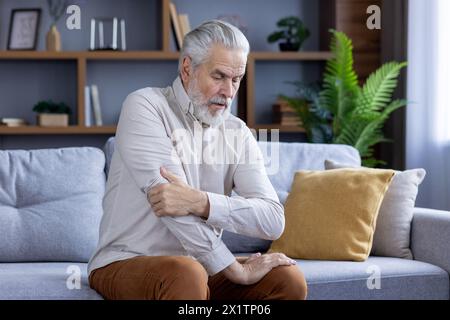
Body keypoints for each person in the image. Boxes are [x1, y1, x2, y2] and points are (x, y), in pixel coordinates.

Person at [88, 20, 307, 300]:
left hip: (201, 269)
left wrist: (200, 202)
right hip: (126, 261)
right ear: (188, 68)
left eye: (236, 79)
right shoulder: (144, 106)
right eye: (219, 77)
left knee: (287, 279)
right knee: (186, 273)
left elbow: (273, 220)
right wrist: (235, 270)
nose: (229, 92)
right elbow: (168, 205)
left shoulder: (237, 132)